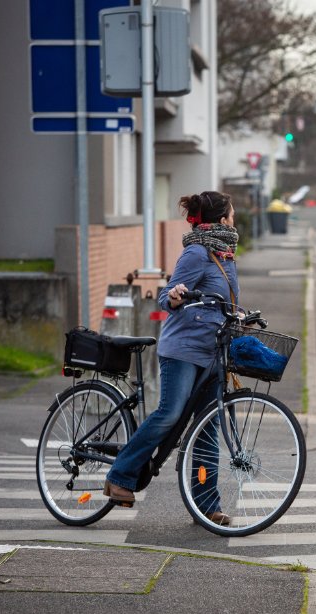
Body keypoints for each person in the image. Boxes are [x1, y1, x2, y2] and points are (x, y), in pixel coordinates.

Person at [104, 191, 240, 527]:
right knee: (170, 414)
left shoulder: (225, 256)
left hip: (212, 353)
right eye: (233, 214)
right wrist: (175, 296)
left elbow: (223, 305)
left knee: (206, 430)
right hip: (182, 350)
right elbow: (167, 294)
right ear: (223, 220)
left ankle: (206, 506)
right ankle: (119, 476)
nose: (235, 219)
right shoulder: (196, 252)